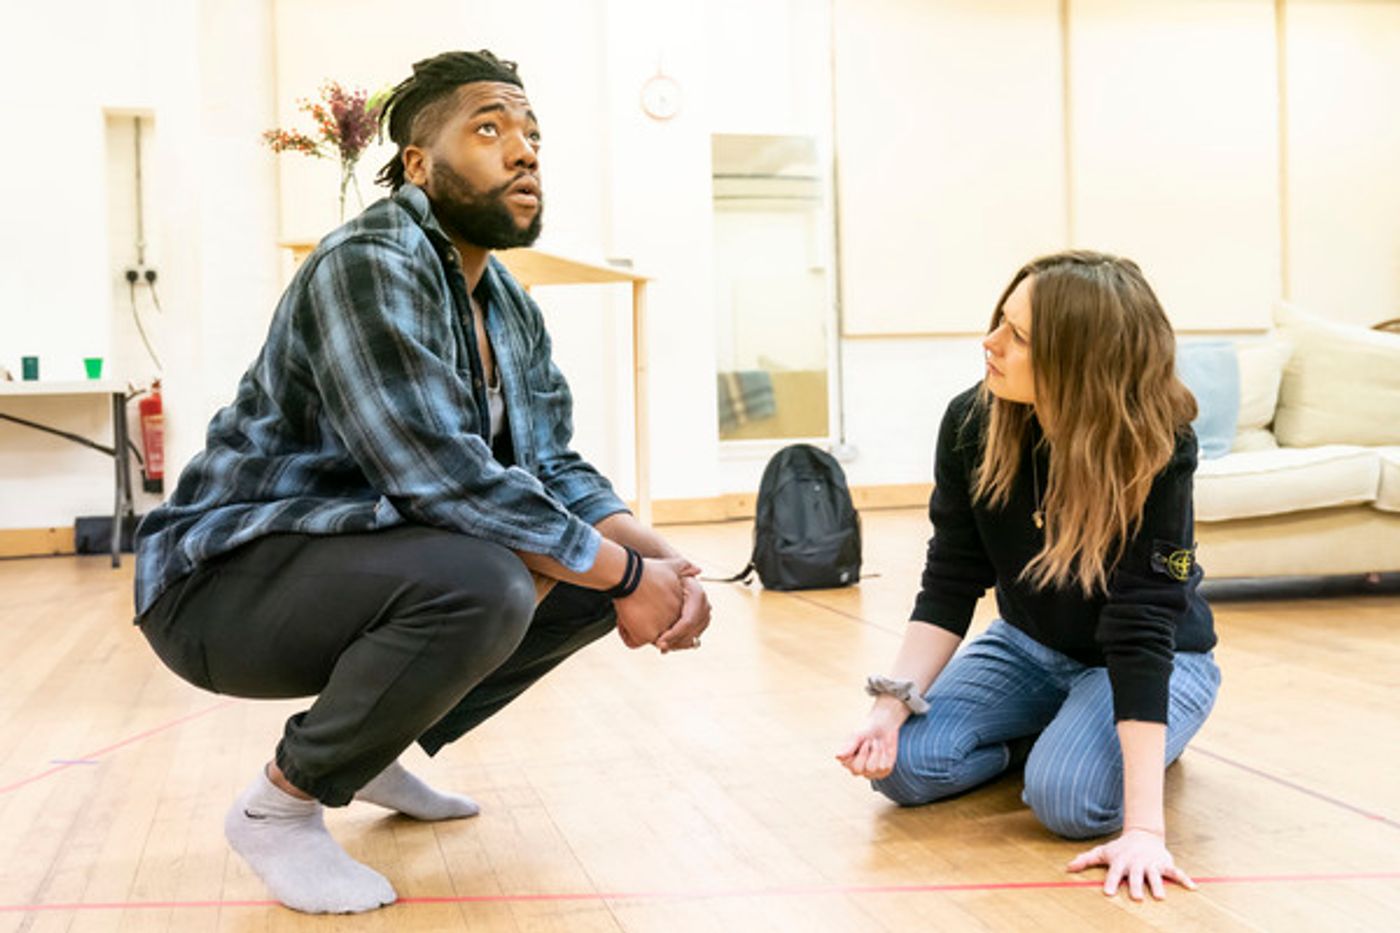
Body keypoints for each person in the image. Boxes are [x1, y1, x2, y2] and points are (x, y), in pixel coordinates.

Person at [133, 49, 711, 915]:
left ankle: (366, 750)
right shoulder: (368, 262)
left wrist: (664, 565)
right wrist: (627, 573)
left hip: (346, 563)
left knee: (582, 574)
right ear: (417, 164)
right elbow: (439, 478)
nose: (524, 151)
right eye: (489, 129)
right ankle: (279, 807)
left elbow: (551, 465)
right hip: (217, 586)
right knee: (490, 579)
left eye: (532, 133)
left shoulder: (506, 302)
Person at [836, 251, 1220, 902]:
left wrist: (1144, 830)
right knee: (901, 768)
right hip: (1027, 646)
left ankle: (1126, 740)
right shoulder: (970, 421)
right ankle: (1054, 736)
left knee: (1068, 801)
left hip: (1156, 659)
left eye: (1017, 336)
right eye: (1000, 321)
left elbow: (1142, 625)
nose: (990, 342)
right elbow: (951, 577)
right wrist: (889, 706)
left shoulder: (1158, 444)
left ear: (1078, 361)